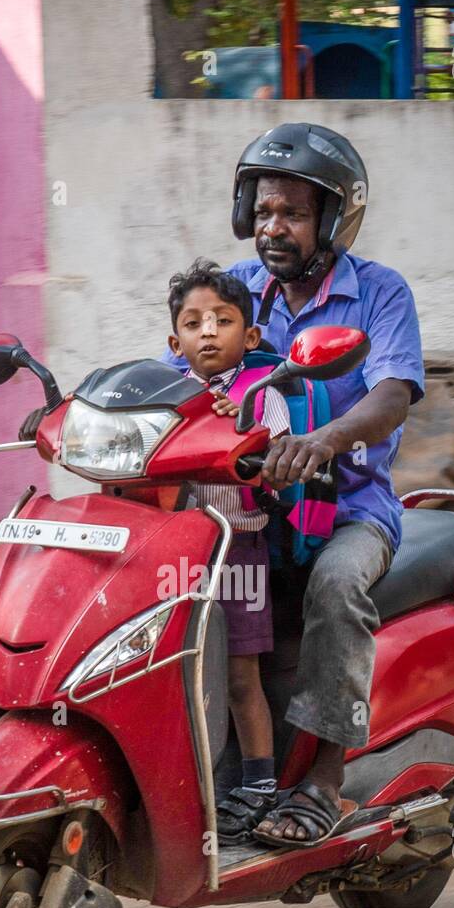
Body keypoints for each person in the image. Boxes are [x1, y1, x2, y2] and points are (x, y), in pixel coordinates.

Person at [162, 122, 425, 847]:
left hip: (349, 508)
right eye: (265, 210)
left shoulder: (378, 293)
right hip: (245, 511)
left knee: (336, 586)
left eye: (295, 214)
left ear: (332, 221)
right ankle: (217, 769)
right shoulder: (238, 293)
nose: (274, 227)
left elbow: (393, 394)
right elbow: (175, 375)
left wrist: (323, 441)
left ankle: (323, 783)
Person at [167, 258, 291, 841]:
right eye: (194, 323)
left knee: (241, 673)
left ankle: (261, 784)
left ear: (251, 335)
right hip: (178, 556)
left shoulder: (261, 395)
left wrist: (237, 425)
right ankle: (191, 781)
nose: (208, 332)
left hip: (238, 549)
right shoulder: (167, 399)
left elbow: (279, 461)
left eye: (223, 320)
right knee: (183, 672)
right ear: (175, 341)